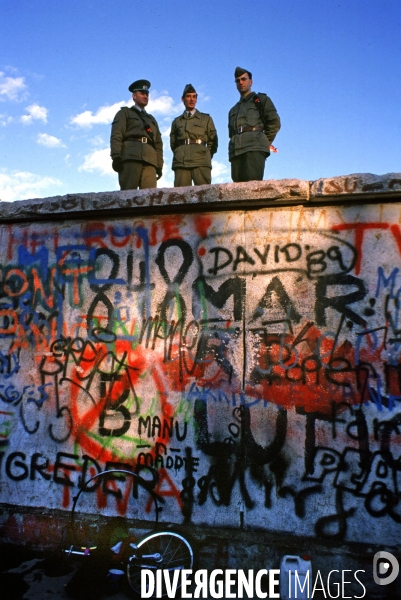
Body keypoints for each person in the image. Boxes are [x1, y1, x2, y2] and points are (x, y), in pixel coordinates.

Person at [228, 67, 280, 183]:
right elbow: (231, 134)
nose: (240, 82)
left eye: (243, 79)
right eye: (237, 80)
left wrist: (263, 142)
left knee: (252, 190)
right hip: (236, 153)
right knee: (237, 193)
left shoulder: (261, 100)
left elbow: (274, 122)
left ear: (250, 82)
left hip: (254, 149)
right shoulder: (233, 110)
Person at [110, 79, 163, 190]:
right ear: (134, 96)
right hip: (130, 157)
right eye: (142, 93)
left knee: (150, 198)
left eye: (147, 94)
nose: (145, 96)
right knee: (128, 197)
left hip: (150, 160)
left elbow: (158, 144)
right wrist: (116, 156)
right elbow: (116, 135)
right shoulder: (124, 113)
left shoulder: (151, 119)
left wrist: (159, 165)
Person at [170, 84, 218, 186]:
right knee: (180, 197)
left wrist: (206, 155)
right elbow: (173, 144)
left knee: (204, 196)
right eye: (188, 96)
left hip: (201, 162)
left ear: (196, 99)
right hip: (181, 163)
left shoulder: (206, 119)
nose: (192, 99)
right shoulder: (176, 122)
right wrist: (181, 152)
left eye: (194, 96)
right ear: (183, 99)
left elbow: (213, 141)